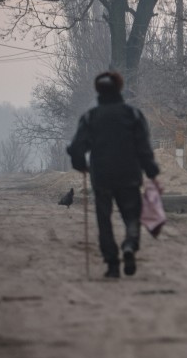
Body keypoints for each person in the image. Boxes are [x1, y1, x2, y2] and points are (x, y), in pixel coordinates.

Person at [67, 71, 160, 278]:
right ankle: (129, 244)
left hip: (102, 177)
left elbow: (76, 148)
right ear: (119, 88)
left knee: (104, 220)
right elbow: (143, 146)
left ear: (98, 90)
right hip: (129, 174)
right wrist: (151, 169)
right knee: (131, 216)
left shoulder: (91, 117)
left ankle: (112, 264)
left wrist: (80, 164)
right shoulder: (132, 115)